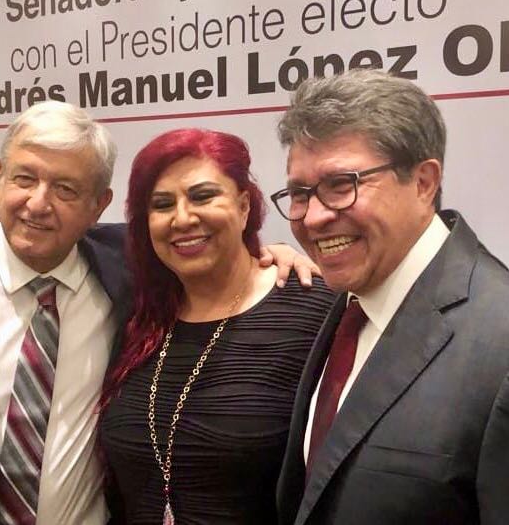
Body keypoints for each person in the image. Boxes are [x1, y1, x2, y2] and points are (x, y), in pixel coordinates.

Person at [0, 102, 312, 525]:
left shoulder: (129, 270)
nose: (38, 203)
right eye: (24, 178)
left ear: (99, 205)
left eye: (65, 189)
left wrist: (268, 255)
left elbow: (205, 246)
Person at [272, 70, 509, 525]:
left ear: (424, 182)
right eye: (299, 193)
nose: (312, 217)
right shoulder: (349, 304)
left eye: (340, 186)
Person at [99, 128, 335, 525]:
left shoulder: (314, 309)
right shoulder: (133, 314)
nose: (182, 218)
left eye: (203, 196)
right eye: (162, 204)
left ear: (244, 206)